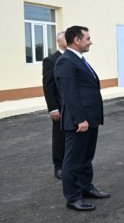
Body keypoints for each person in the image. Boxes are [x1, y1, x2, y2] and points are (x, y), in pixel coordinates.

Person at [54, 25, 109, 212]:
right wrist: (80, 119)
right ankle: (73, 197)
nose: (90, 42)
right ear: (77, 40)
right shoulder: (66, 61)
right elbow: (69, 94)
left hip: (90, 118)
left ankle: (86, 188)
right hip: (79, 121)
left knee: (86, 157)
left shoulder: (78, 59)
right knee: (73, 160)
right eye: (88, 39)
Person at [42, 31, 67, 179]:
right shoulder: (51, 60)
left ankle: (71, 164)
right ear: (58, 42)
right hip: (60, 106)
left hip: (74, 106)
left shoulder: (75, 57)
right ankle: (58, 166)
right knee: (59, 137)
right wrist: (53, 109)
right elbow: (48, 86)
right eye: (66, 38)